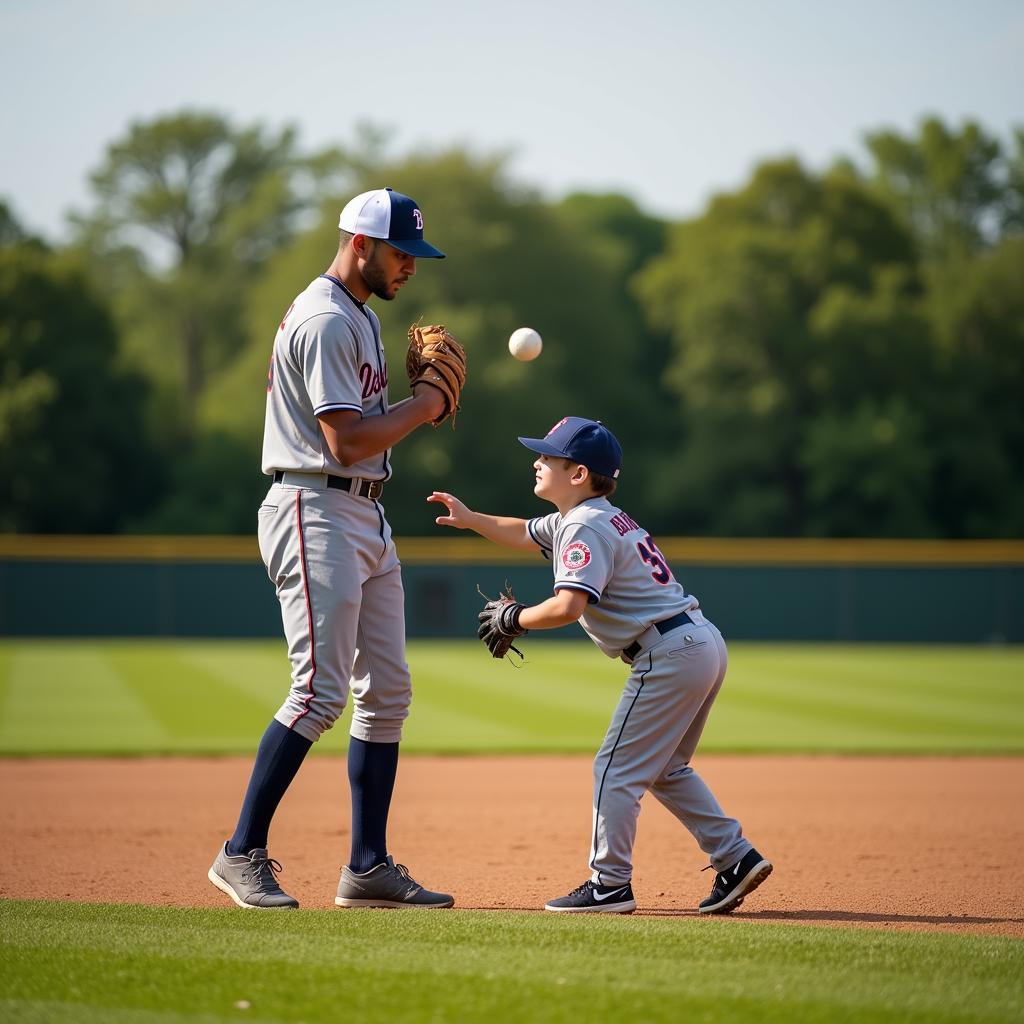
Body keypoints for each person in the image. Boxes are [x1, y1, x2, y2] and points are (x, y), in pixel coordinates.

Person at [209, 187, 457, 910]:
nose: (410, 265)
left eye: (414, 254)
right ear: (360, 244)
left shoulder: (358, 317)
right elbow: (343, 440)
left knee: (387, 694)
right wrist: (427, 405)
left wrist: (410, 407)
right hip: (313, 506)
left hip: (362, 514)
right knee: (318, 692)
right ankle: (239, 853)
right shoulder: (325, 320)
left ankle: (368, 867)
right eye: (399, 251)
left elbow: (358, 437)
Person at [427, 416, 772, 914]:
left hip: (668, 652)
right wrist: (472, 518)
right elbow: (524, 532)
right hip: (697, 641)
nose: (537, 461)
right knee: (665, 768)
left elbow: (569, 606)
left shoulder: (584, 525)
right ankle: (735, 857)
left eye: (549, 456)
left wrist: (515, 617)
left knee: (614, 770)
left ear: (579, 473)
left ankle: (609, 884)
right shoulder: (594, 515)